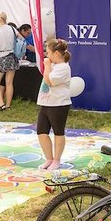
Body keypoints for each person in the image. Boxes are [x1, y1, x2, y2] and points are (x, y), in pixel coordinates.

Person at [37, 39, 72, 170]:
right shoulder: (54, 65)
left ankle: (56, 160)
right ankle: (49, 159)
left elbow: (49, 80)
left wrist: (46, 66)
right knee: (41, 132)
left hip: (59, 104)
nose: (47, 55)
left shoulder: (63, 67)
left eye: (48, 52)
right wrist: (48, 66)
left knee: (58, 132)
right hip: (46, 103)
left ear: (56, 53)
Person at [0, 12, 19, 111]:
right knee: (9, 83)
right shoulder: (12, 28)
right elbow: (21, 39)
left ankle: (1, 104)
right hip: (11, 56)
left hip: (1, 57)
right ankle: (8, 105)